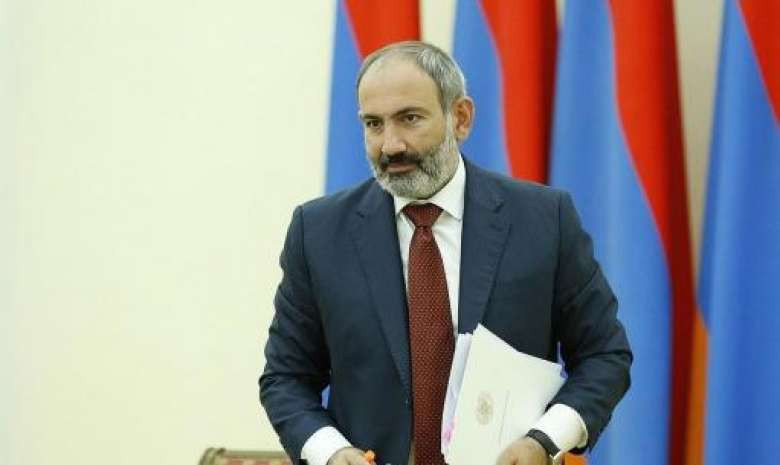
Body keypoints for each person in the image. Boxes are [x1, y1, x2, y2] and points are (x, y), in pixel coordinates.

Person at [259, 41, 632, 465]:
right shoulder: (319, 232)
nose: (390, 145)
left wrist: (543, 441)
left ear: (461, 118)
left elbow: (605, 354)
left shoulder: (544, 219)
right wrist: (332, 452)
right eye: (374, 124)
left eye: (410, 118)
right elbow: (286, 377)